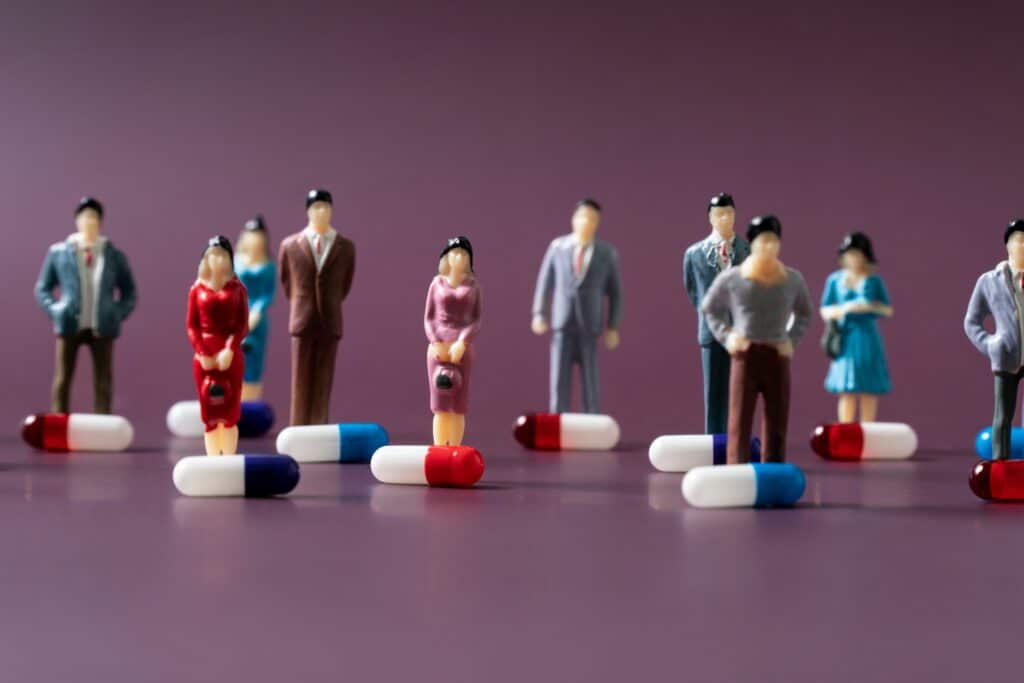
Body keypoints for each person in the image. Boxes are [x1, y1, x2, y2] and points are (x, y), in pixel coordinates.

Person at [701, 215, 814, 464]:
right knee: (739, 418)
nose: (769, 247)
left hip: (777, 356)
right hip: (745, 356)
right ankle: (736, 467)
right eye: (763, 241)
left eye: (774, 241)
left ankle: (773, 469)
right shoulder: (733, 278)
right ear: (752, 243)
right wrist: (728, 336)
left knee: (777, 417)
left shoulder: (792, 279)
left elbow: (805, 313)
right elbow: (710, 308)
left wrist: (791, 340)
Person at [34, 196, 137, 414]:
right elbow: (43, 288)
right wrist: (56, 310)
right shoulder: (59, 253)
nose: (89, 222)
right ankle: (59, 419)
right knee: (63, 377)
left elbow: (130, 291)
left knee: (103, 379)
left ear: (99, 223)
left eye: (93, 218)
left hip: (102, 325)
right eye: (85, 217)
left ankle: (103, 421)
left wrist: (116, 313)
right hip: (70, 322)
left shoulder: (113, 255)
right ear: (77, 221)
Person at [530, 198, 623, 413]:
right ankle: (558, 418)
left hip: (590, 324)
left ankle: (592, 419)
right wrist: (539, 313)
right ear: (573, 219)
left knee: (590, 376)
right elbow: (545, 282)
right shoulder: (557, 247)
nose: (586, 222)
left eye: (591, 218)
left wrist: (613, 326)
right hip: (562, 321)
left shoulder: (606, 253)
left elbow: (616, 293)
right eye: (582, 217)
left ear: (597, 222)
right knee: (559, 376)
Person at [279, 189, 356, 425]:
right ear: (308, 211)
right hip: (302, 318)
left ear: (331, 210)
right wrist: (300, 304)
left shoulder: (345, 246)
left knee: (324, 378)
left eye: (325, 207)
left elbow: (345, 284)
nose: (321, 212)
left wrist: (330, 302)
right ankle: (298, 425)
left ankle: (318, 425)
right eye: (316, 207)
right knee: (300, 379)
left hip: (330, 319)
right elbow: (286, 281)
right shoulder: (290, 245)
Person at [683, 192, 750, 433]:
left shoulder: (748, 249)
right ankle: (713, 440)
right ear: (710, 217)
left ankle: (736, 439)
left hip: (741, 330)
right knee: (712, 390)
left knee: (739, 388)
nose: (725, 218)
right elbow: (693, 291)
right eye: (719, 214)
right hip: (710, 331)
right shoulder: (694, 254)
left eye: (729, 213)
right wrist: (711, 314)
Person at [964, 218, 1024, 461]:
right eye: (1019, 241)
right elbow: (971, 321)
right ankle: (1000, 464)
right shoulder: (989, 281)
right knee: (1003, 415)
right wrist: (990, 344)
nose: (1023, 246)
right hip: (1006, 357)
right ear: (1007, 245)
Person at [820, 232, 893, 422]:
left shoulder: (873, 280)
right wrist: (843, 309)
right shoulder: (835, 280)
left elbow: (887, 309)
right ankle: (845, 428)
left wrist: (869, 307)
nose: (854, 259)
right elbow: (824, 309)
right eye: (850, 254)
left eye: (858, 254)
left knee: (868, 386)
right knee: (846, 387)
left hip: (867, 336)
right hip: (845, 337)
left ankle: (867, 429)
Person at [187, 236, 248, 456]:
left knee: (230, 411)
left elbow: (242, 325)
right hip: (204, 355)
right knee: (210, 411)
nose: (216, 259)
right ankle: (213, 457)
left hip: (230, 355)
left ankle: (229, 456)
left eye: (221, 255)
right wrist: (202, 351)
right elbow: (192, 326)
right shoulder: (196, 290)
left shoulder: (237, 289)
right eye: (211, 255)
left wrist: (230, 349)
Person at [425, 236, 482, 446]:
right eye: (455, 253)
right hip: (438, 348)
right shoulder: (436, 284)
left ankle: (455, 447)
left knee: (458, 403)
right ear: (446, 257)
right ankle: (440, 447)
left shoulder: (473, 286)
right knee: (439, 402)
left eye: (463, 254)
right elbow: (429, 317)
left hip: (461, 349)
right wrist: (435, 340)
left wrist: (462, 341)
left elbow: (476, 320)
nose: (458, 257)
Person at [235, 215, 276, 400]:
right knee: (234, 356)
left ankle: (251, 400)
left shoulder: (268, 265)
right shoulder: (236, 261)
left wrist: (257, 311)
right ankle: (235, 401)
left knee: (253, 358)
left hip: (256, 317)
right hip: (235, 313)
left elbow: (268, 293)